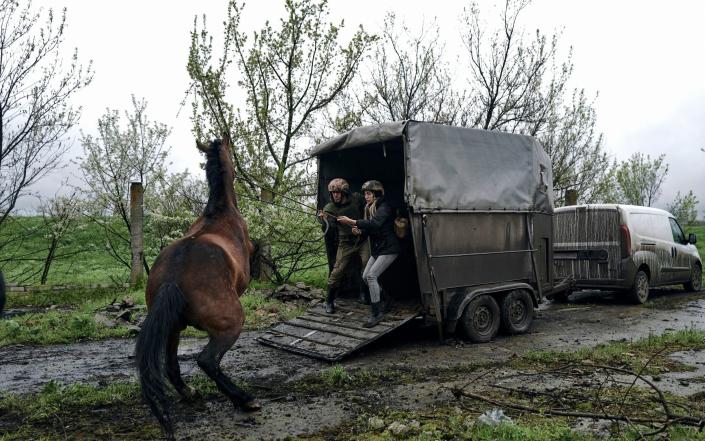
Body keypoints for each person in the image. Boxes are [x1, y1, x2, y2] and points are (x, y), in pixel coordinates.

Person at [338, 180, 399, 327]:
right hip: (379, 249)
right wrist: (359, 231)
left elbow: (375, 224)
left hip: (389, 248)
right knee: (365, 276)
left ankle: (376, 313)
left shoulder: (384, 207)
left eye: (368, 193)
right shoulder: (368, 208)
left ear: (376, 194)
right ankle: (387, 300)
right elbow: (368, 229)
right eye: (365, 194)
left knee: (371, 276)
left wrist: (352, 222)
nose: (365, 196)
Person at [318, 178, 370, 314]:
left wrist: (361, 227)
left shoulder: (357, 199)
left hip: (362, 239)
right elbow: (329, 228)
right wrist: (324, 220)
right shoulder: (330, 208)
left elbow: (368, 212)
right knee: (337, 271)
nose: (335, 195)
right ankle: (329, 300)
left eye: (338, 192)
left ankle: (363, 293)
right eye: (333, 192)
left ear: (344, 192)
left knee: (367, 264)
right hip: (345, 242)